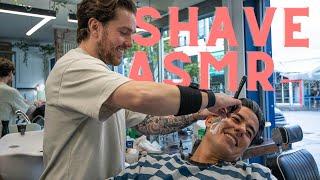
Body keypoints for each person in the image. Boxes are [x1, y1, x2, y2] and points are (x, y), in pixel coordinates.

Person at [41, 0, 241, 179]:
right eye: (123, 32)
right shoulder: (74, 67)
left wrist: (199, 114)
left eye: (131, 34)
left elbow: (149, 123)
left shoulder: (105, 78)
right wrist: (212, 98)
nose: (129, 43)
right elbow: (142, 96)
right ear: (95, 27)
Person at [113, 98, 276, 180]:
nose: (241, 129)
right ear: (211, 119)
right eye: (236, 119)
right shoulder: (151, 165)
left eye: (249, 132)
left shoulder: (255, 175)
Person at [0, 57, 42, 136]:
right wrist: (36, 104)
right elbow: (26, 112)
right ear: (10, 73)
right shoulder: (9, 91)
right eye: (13, 73)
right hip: (3, 134)